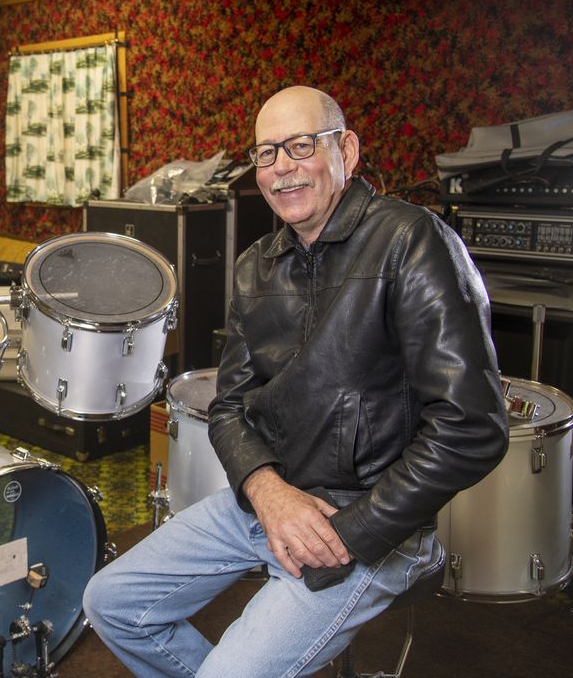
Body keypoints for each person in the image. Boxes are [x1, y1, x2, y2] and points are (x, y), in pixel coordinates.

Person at [82, 86, 508, 677]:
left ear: (347, 151)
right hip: (270, 502)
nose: (282, 168)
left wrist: (351, 533)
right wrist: (267, 490)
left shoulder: (413, 241)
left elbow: (473, 427)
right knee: (112, 603)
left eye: (300, 146)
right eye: (266, 154)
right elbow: (228, 405)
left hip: (370, 521)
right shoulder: (255, 263)